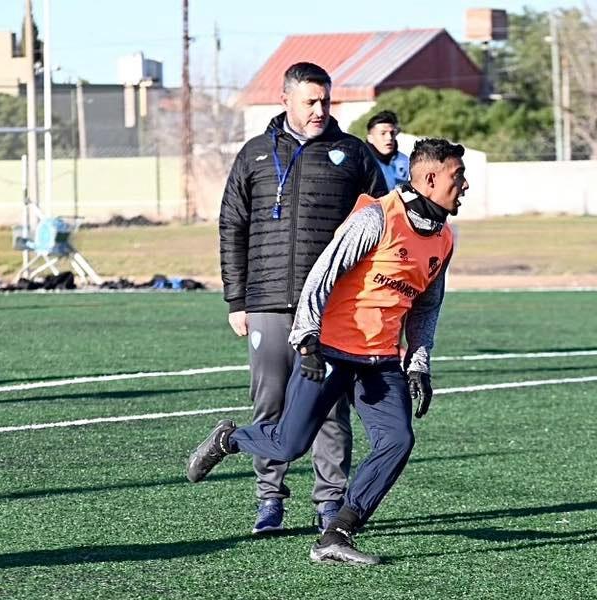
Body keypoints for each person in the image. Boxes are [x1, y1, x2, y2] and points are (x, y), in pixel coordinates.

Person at [189, 138, 467, 566]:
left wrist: (419, 363)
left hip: (381, 361)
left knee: (397, 440)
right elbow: (321, 276)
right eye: (457, 176)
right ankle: (228, 439)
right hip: (332, 351)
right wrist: (307, 340)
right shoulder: (376, 219)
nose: (464, 186)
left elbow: (427, 306)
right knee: (288, 444)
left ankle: (337, 532)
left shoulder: (444, 238)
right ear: (430, 179)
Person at [218, 62, 387, 535]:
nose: (319, 110)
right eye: (310, 101)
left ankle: (330, 503)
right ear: (286, 100)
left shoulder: (353, 153)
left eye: (325, 101)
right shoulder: (253, 155)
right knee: (269, 403)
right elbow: (232, 225)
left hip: (332, 308)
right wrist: (237, 300)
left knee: (329, 407)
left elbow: (383, 224)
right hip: (268, 301)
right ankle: (269, 500)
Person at [365, 110, 410, 191]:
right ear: (370, 138)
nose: (389, 137)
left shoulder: (404, 160)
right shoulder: (362, 163)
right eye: (383, 133)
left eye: (392, 133)